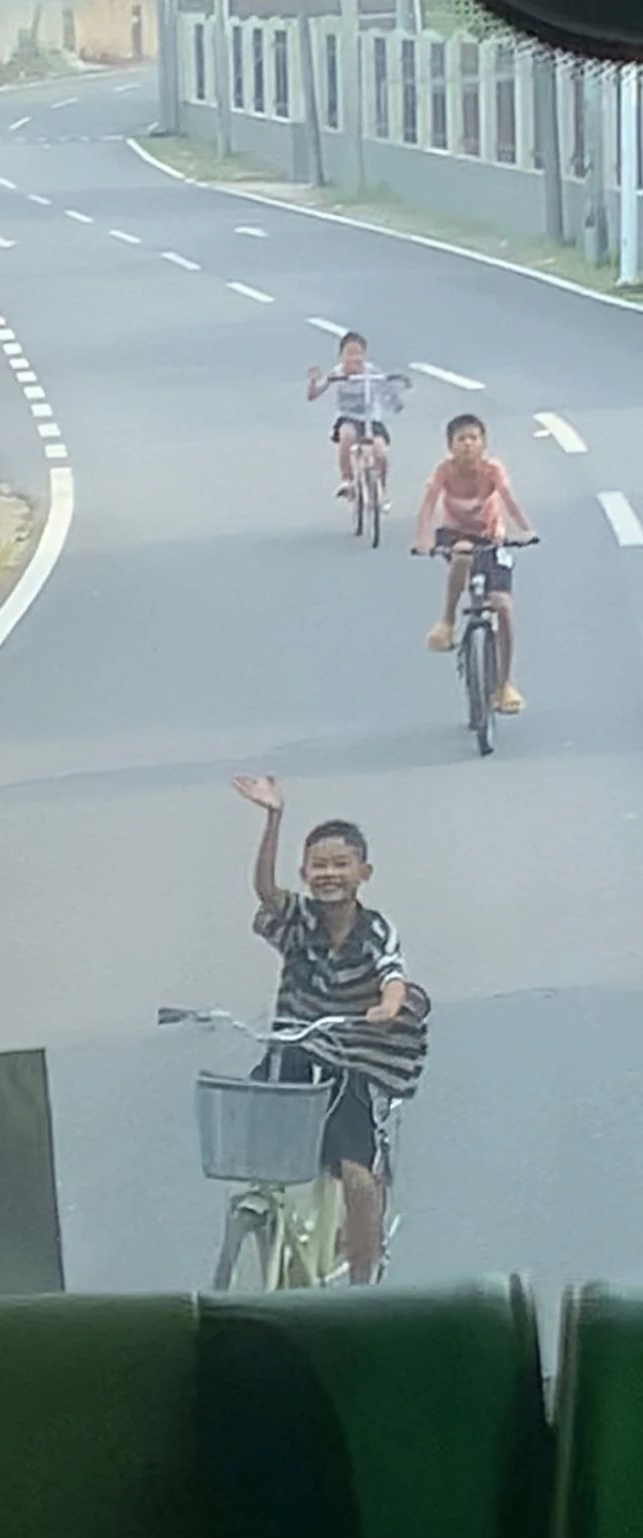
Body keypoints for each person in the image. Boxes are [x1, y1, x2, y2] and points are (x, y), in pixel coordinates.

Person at [233, 774, 430, 1287]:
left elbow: (393, 975)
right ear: (305, 873)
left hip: (349, 1059)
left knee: (357, 1176)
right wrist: (273, 817)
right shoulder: (298, 920)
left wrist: (387, 1008)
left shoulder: (375, 929)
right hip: (293, 1051)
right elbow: (265, 891)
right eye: (318, 866)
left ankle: (363, 1281)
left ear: (363, 872)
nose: (328, 874)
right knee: (262, 1144)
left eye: (340, 864)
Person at [414, 411, 536, 716]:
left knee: (503, 606)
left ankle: (504, 685)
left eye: (473, 438)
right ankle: (447, 622)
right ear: (450, 446)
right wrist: (423, 540)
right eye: (461, 439)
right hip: (456, 535)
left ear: (483, 443)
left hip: (491, 538)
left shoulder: (492, 470)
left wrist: (526, 530)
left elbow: (509, 499)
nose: (468, 444)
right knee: (462, 553)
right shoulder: (444, 471)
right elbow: (428, 506)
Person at [307, 330, 406, 503]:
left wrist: (396, 400)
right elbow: (314, 394)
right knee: (347, 436)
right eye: (349, 354)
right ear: (341, 356)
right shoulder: (337, 373)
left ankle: (381, 490)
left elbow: (387, 390)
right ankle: (347, 480)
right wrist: (314, 381)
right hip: (348, 417)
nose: (354, 358)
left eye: (358, 354)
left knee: (380, 452)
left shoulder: (372, 372)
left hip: (371, 419)